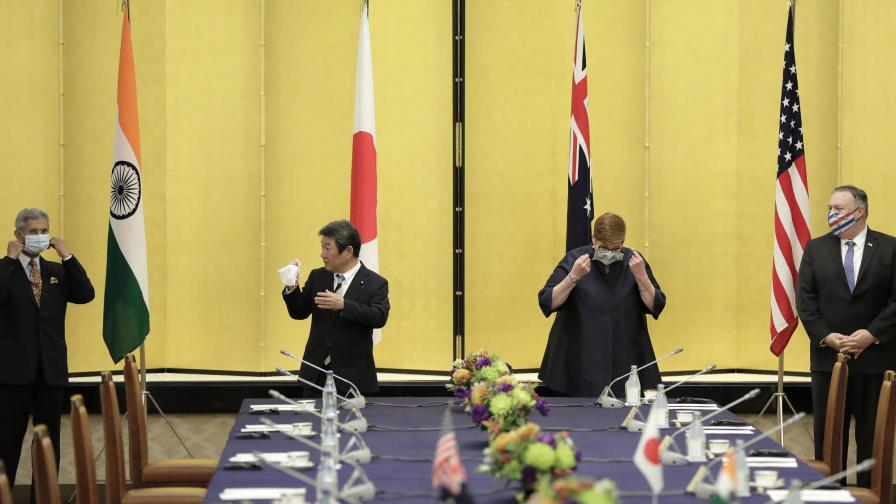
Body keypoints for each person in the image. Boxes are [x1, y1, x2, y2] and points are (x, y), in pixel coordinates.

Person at [796, 185, 896, 488]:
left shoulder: (890, 248)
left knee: (873, 438)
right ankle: (828, 493)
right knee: (828, 438)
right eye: (830, 208)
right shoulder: (815, 249)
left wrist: (871, 334)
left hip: (875, 360)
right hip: (830, 360)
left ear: (859, 211)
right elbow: (806, 301)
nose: (831, 214)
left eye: (838, 209)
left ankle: (871, 493)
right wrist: (827, 336)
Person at [0, 208, 95, 489]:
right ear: (19, 235)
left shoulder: (57, 271)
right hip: (12, 374)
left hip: (50, 371)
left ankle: (44, 498)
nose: (40, 237)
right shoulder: (4, 270)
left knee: (48, 444)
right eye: (33, 232)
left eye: (44, 231)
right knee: (6, 443)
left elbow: (85, 293)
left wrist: (66, 255)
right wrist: (9, 259)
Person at [537, 212, 666, 397]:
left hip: (625, 359)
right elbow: (547, 301)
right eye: (604, 248)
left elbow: (655, 305)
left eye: (616, 248)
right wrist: (573, 277)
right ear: (593, 238)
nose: (610, 253)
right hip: (579, 361)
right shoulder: (576, 259)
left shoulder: (634, 261)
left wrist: (642, 277)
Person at [281, 220, 389, 396]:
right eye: (322, 247)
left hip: (353, 378)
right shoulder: (318, 276)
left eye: (327, 248)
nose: (322, 254)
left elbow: (379, 317)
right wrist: (291, 286)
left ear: (347, 251)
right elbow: (299, 312)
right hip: (315, 375)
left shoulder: (375, 283)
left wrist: (344, 305)